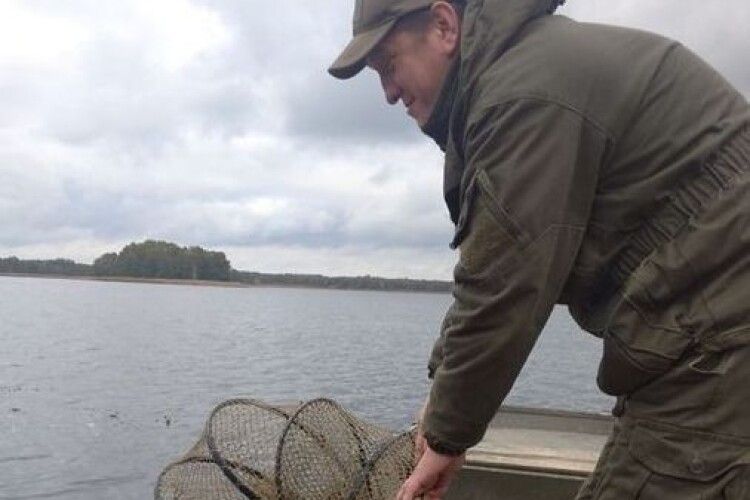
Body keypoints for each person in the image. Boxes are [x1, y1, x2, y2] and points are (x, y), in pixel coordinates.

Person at [329, 0, 750, 498]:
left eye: (390, 65)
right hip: (705, 328)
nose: (388, 93)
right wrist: (442, 390)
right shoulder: (515, 77)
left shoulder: (520, 98)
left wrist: (445, 435)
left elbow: (505, 285)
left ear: (444, 27)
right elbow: (486, 268)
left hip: (721, 336)